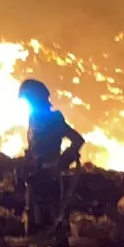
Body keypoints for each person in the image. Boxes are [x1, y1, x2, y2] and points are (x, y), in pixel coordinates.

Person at [17, 78, 85, 235]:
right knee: (32, 217)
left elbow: (78, 140)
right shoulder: (34, 118)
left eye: (29, 100)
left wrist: (62, 162)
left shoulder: (54, 119)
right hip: (35, 175)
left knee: (48, 218)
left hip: (49, 177)